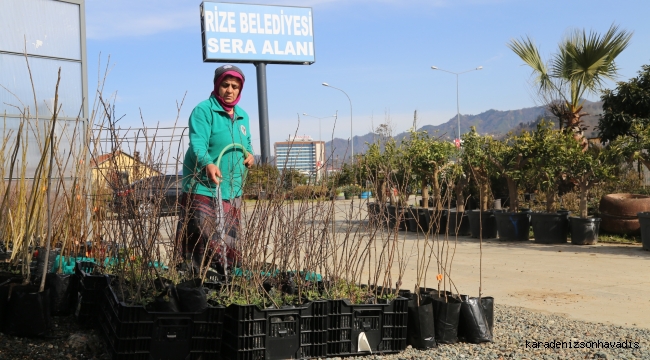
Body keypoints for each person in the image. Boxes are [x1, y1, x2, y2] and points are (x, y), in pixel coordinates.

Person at [177, 64, 254, 273]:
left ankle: (225, 276)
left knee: (230, 238)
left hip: (232, 187)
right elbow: (198, 144)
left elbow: (247, 144)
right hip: (203, 186)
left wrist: (250, 156)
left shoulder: (242, 116)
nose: (230, 90)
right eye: (226, 85)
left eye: (235, 86)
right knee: (203, 233)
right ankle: (193, 276)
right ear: (217, 85)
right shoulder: (204, 110)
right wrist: (208, 163)